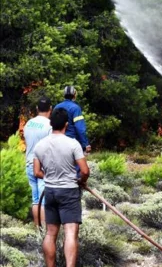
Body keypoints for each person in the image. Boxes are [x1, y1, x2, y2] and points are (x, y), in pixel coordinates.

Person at [33, 107, 90, 267]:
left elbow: (37, 172)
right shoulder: (73, 144)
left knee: (50, 233)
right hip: (69, 192)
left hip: (50, 191)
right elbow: (85, 170)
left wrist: (51, 177)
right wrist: (81, 180)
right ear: (66, 124)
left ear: (51, 124)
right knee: (70, 233)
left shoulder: (40, 145)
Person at [23, 96, 53, 226]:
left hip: (29, 164)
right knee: (44, 200)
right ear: (50, 109)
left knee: (35, 200)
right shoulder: (49, 125)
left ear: (37, 108)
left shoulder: (29, 123)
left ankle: (37, 229)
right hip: (42, 167)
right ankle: (44, 232)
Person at [55, 86, 90, 154]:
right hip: (71, 141)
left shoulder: (57, 107)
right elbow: (80, 128)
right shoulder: (75, 108)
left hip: (57, 142)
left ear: (64, 95)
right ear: (74, 95)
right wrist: (85, 144)